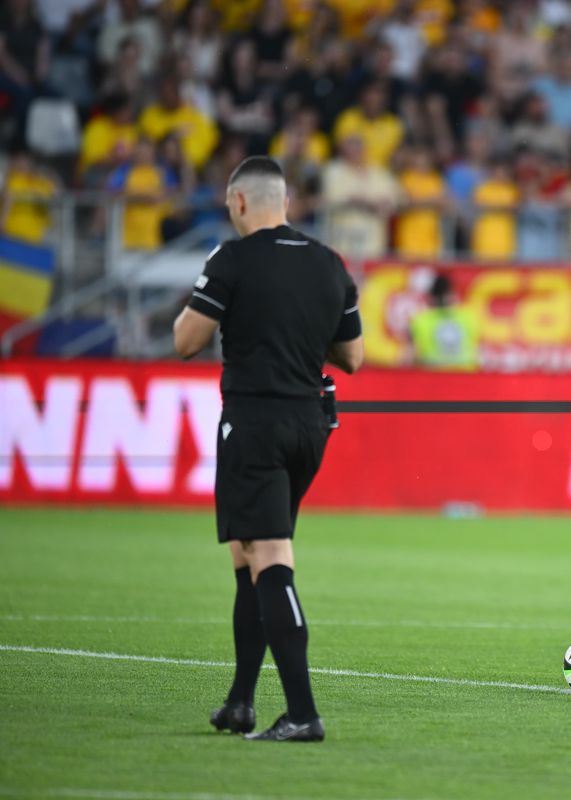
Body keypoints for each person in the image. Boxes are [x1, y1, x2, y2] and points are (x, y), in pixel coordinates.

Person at [172, 156, 364, 742]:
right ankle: (240, 703)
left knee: (271, 559)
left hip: (255, 423)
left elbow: (186, 340)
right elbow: (352, 357)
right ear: (285, 201)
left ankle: (303, 713)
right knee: (249, 556)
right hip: (311, 425)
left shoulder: (231, 259)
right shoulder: (328, 263)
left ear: (238, 202)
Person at [410, 273, 481, 370]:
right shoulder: (468, 317)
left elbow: (412, 355)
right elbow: (477, 349)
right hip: (465, 373)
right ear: (452, 294)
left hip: (433, 374)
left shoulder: (420, 320)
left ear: (431, 296)